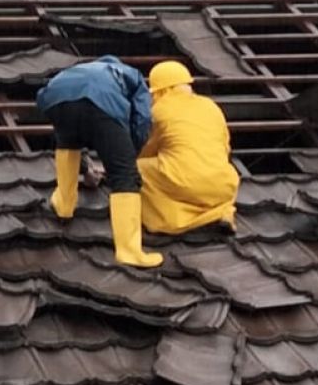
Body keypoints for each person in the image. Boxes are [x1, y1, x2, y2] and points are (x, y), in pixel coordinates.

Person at [36, 56, 163, 268]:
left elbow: (75, 116)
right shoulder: (133, 76)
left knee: (68, 142)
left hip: (54, 99)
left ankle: (64, 205)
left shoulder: (81, 69)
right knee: (125, 176)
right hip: (98, 100)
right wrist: (128, 155)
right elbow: (141, 118)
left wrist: (87, 168)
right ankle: (129, 251)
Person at [137, 61, 240, 235]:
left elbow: (145, 150)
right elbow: (225, 148)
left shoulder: (158, 112)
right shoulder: (211, 106)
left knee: (133, 169)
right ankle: (222, 214)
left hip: (185, 184)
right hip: (223, 185)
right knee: (214, 183)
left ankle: (175, 219)